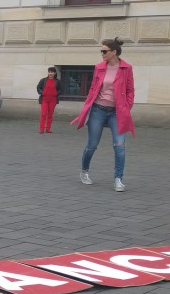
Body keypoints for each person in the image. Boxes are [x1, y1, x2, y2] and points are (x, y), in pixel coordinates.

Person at [71, 37, 135, 192]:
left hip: (117, 112)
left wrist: (126, 107)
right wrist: (87, 107)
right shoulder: (99, 67)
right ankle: (84, 171)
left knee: (119, 146)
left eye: (104, 51)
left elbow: (130, 90)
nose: (102, 53)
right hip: (98, 110)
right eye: (101, 51)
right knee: (92, 145)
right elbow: (93, 88)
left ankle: (118, 179)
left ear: (114, 52)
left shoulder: (126, 68)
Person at [36, 67, 62, 134]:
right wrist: (41, 92)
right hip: (44, 99)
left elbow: (60, 89)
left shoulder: (57, 81)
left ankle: (48, 129)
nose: (50, 73)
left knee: (50, 115)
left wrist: (56, 93)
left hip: (53, 100)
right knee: (43, 114)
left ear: (54, 73)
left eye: (52, 72)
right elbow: (38, 87)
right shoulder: (43, 80)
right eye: (49, 72)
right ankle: (41, 129)